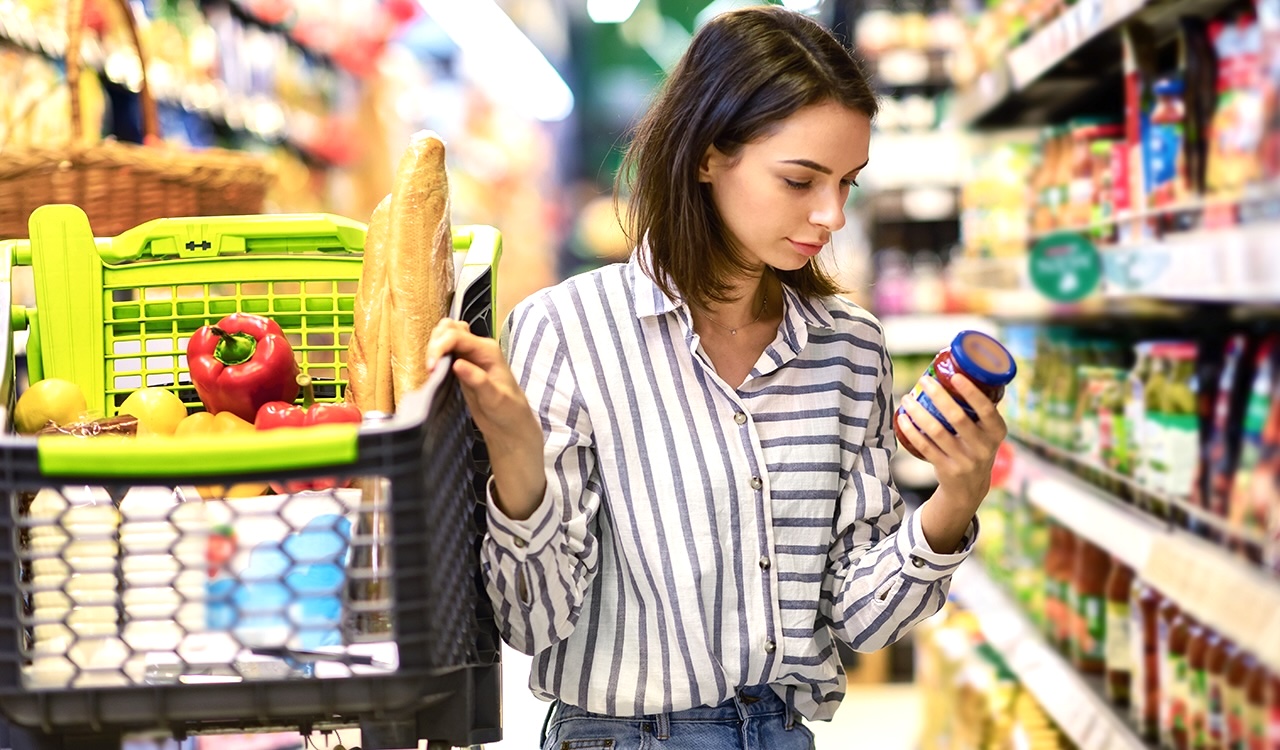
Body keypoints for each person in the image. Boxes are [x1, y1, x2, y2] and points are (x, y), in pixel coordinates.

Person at [425, 6, 1006, 749]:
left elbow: (864, 620)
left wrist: (955, 499)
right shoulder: (567, 332)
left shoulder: (849, 347)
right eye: (800, 179)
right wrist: (515, 460)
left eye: (848, 183)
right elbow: (531, 620)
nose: (830, 214)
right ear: (706, 154)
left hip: (782, 732)